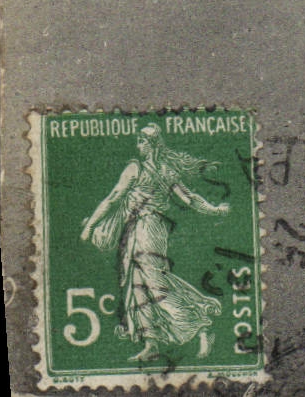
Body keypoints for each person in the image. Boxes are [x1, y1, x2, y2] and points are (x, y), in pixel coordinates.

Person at [79, 124, 230, 361]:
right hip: (142, 229)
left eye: (141, 141)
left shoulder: (136, 168)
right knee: (136, 283)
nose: (137, 146)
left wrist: (89, 226)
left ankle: (200, 326)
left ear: (151, 145)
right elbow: (190, 199)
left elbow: (112, 198)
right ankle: (151, 343)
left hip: (146, 229)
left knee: (155, 283)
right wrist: (214, 210)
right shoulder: (166, 171)